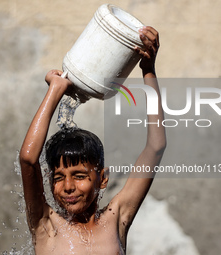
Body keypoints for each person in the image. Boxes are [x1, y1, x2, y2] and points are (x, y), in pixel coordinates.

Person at [19, 26, 166, 254]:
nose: (68, 187)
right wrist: (55, 91)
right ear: (48, 182)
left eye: (79, 176)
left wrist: (148, 69)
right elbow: (28, 160)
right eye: (59, 178)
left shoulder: (116, 218)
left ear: (103, 178)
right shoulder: (46, 225)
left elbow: (156, 147)